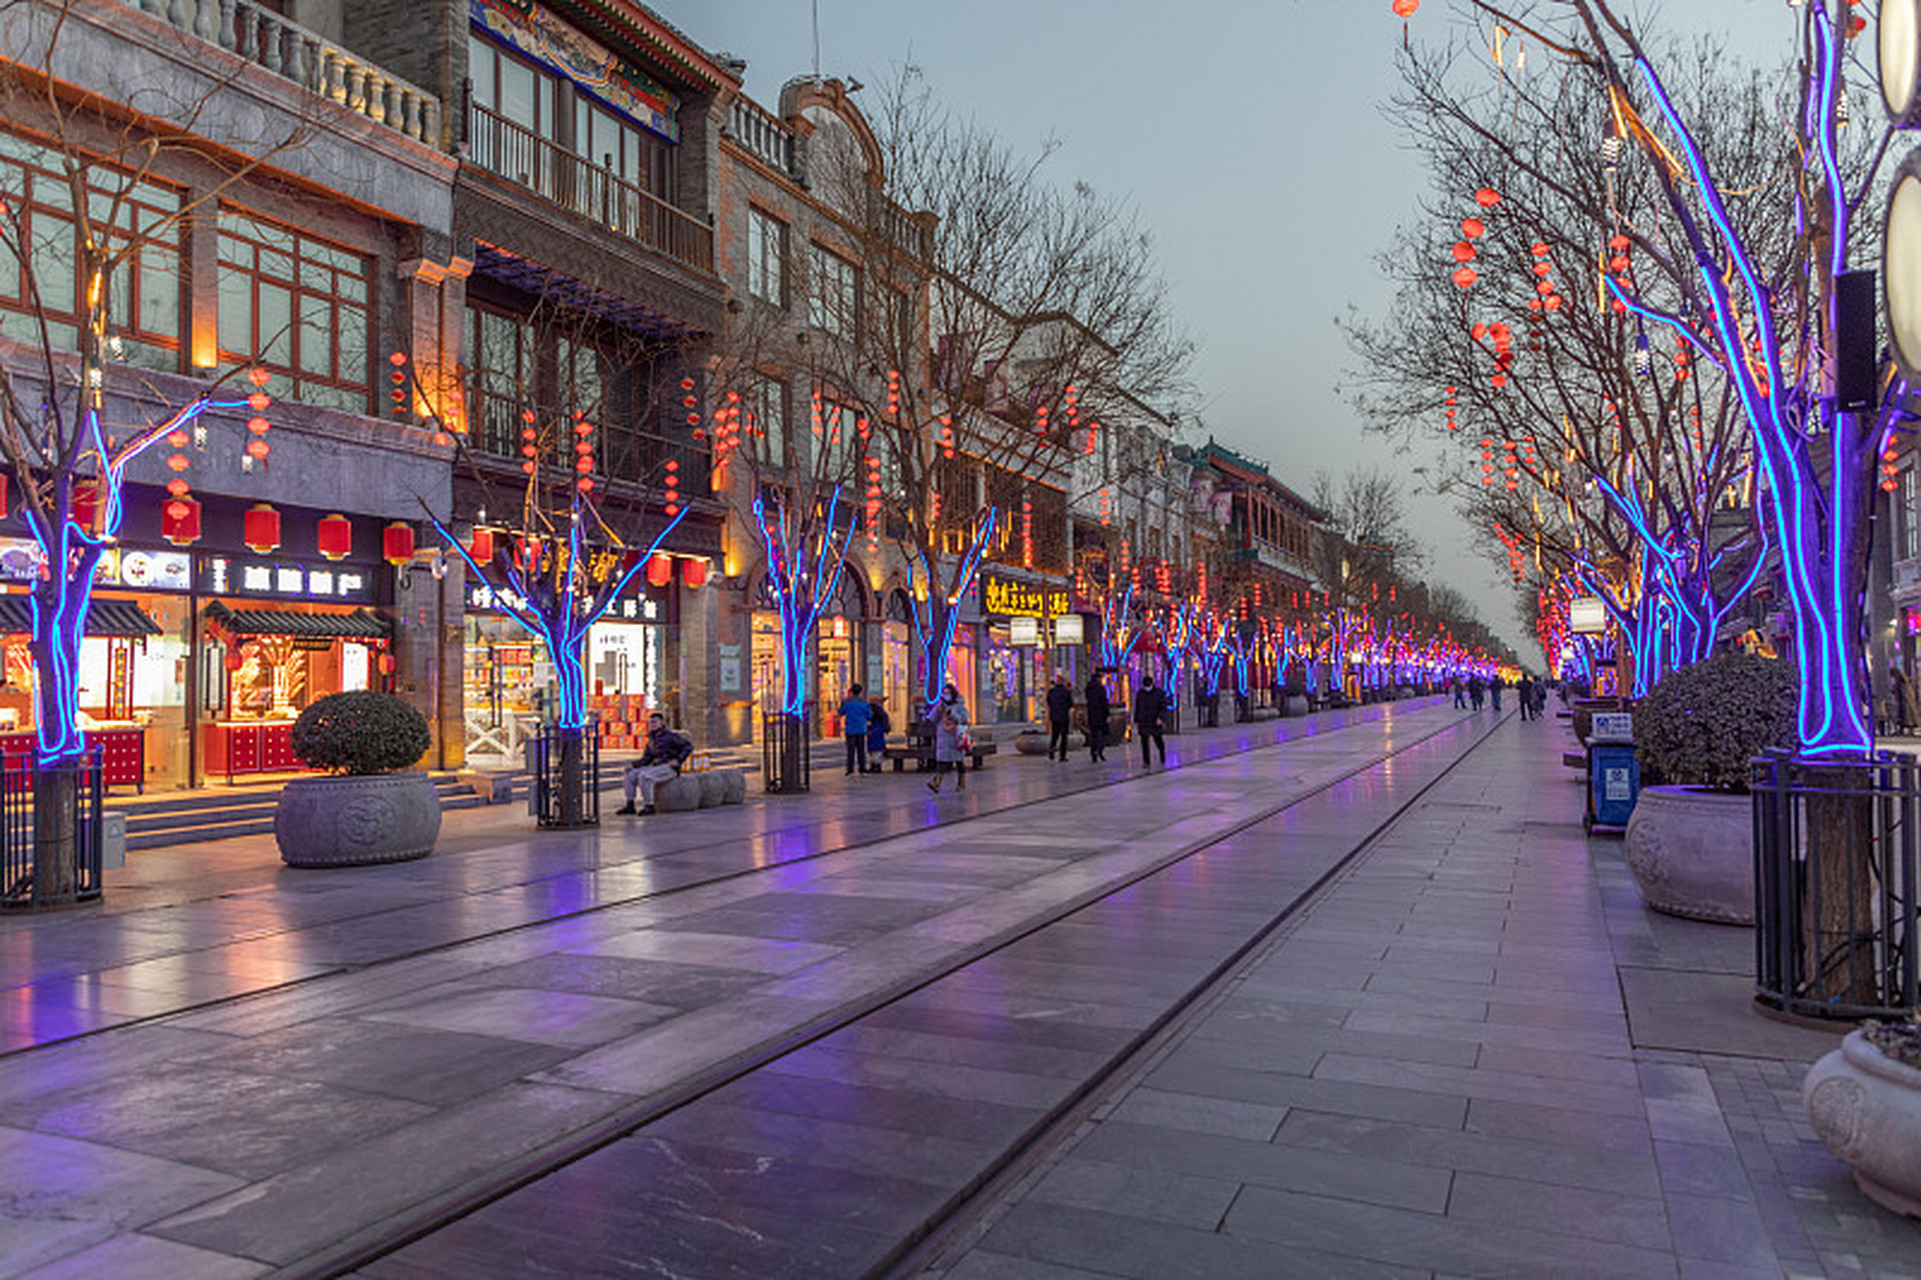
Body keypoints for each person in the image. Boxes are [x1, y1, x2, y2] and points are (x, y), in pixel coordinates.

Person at [616, 712, 692, 815]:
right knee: (630, 774)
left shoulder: (671, 736)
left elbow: (688, 746)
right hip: (656, 767)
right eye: (651, 722)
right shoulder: (651, 739)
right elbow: (647, 758)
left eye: (655, 722)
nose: (653, 724)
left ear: (662, 723)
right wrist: (633, 765)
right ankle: (630, 805)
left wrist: (678, 760)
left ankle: (649, 806)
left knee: (645, 777)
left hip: (669, 768)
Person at [925, 682, 970, 793]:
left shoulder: (959, 705)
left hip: (956, 737)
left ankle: (961, 782)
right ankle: (936, 783)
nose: (946, 695)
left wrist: (952, 713)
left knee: (959, 761)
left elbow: (963, 718)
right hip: (943, 738)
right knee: (942, 762)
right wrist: (937, 711)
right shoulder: (941, 704)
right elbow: (933, 719)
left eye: (948, 693)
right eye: (944, 693)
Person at [839, 682, 873, 776]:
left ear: (851, 691)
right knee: (861, 750)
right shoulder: (864, 703)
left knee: (850, 750)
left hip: (850, 729)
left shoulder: (847, 702)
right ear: (860, 692)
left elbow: (841, 712)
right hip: (861, 728)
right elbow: (869, 715)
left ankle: (850, 770)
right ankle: (862, 769)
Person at [1134, 675, 1168, 767]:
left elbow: (1163, 707)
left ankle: (1162, 754)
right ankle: (1146, 761)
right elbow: (1137, 707)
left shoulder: (1159, 693)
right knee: (1144, 742)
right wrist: (1136, 720)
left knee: (1158, 739)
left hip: (1154, 720)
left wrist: (1160, 718)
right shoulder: (1140, 693)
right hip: (1144, 721)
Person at [1084, 670, 1111, 762]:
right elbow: (1104, 703)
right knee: (1105, 733)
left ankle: (1093, 753)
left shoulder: (1088, 689)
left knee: (1093, 735)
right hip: (1101, 715)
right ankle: (1099, 749)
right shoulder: (1100, 689)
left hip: (1091, 714)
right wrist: (1107, 714)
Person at [1046, 673, 1074, 761]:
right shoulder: (1066, 692)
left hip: (1054, 716)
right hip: (1064, 716)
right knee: (1063, 736)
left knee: (1055, 735)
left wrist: (1053, 709)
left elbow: (1048, 701)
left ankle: (1052, 749)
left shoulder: (1051, 691)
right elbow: (1070, 704)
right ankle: (1062, 755)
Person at [864, 696, 891, 772]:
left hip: (872, 732)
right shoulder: (881, 712)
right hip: (878, 733)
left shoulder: (870, 711)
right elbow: (885, 722)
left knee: (872, 750)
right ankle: (877, 766)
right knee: (877, 750)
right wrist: (887, 729)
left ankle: (874, 766)